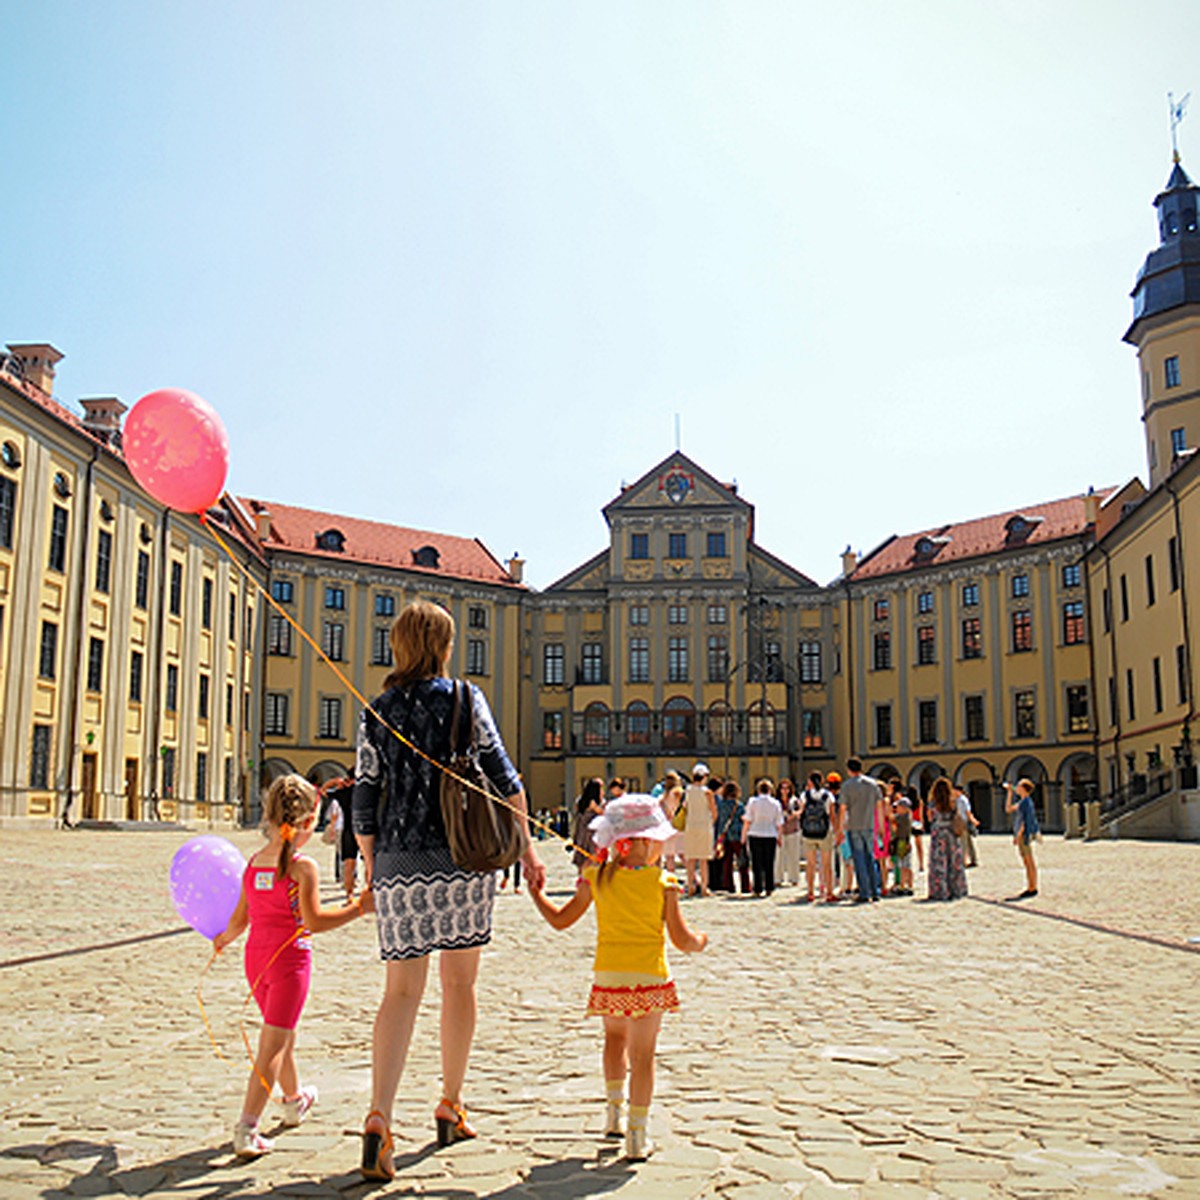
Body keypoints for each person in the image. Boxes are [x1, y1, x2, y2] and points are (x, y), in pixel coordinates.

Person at [352, 601, 545, 1181]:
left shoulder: (376, 709)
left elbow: (364, 799)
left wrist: (373, 868)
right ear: (442, 644)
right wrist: (529, 850)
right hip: (463, 860)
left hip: (398, 863)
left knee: (400, 994)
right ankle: (450, 1104)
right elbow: (505, 777)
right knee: (459, 985)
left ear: (399, 644)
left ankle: (379, 1118)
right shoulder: (466, 698)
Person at [528, 795, 707, 1161]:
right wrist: (701, 942)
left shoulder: (597, 876)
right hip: (649, 976)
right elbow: (681, 938)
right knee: (643, 1056)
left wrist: (537, 894)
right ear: (643, 841)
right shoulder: (664, 881)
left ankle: (614, 1113)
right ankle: (638, 1135)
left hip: (609, 975)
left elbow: (561, 920)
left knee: (613, 1039)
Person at [213, 773, 373, 1157]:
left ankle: (293, 1099)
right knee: (272, 1045)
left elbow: (239, 919)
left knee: (280, 1035)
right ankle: (247, 1126)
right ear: (304, 823)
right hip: (289, 962)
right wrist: (358, 908)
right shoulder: (302, 868)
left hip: (256, 959)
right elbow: (315, 922)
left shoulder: (254, 864)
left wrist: (221, 940)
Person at [839, 759, 881, 902]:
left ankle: (864, 891)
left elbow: (843, 809)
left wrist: (840, 829)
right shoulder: (873, 784)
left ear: (849, 770)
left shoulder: (847, 786)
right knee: (871, 857)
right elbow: (879, 806)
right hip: (869, 825)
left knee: (859, 859)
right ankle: (875, 890)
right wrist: (880, 825)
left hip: (854, 826)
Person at [925, 776, 967, 901]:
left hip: (938, 835)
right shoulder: (953, 802)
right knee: (953, 863)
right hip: (951, 834)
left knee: (939, 863)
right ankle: (956, 889)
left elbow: (930, 818)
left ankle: (940, 890)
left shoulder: (933, 803)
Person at [742, 779, 783, 896]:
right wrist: (779, 837)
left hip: (755, 833)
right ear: (770, 790)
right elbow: (779, 822)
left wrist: (743, 836)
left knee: (756, 862)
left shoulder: (752, 802)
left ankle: (758, 887)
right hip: (770, 834)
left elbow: (748, 819)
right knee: (769, 862)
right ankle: (769, 886)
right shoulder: (775, 803)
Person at [681, 764, 718, 898]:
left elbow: (685, 807)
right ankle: (704, 887)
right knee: (703, 859)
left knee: (691, 859)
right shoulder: (707, 792)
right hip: (704, 826)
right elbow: (714, 811)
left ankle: (690, 885)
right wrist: (711, 822)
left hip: (690, 825)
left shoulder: (688, 790)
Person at [799, 771, 835, 902]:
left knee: (811, 864)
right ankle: (829, 892)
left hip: (808, 832)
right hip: (824, 832)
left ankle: (810, 892)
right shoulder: (828, 795)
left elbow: (801, 812)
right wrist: (837, 830)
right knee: (826, 864)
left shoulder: (805, 795)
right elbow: (832, 815)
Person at [1004, 778, 1040, 899]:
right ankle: (1031, 885)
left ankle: (1032, 887)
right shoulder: (1023, 801)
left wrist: (1018, 836)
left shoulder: (1026, 802)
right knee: (1027, 861)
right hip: (1022, 834)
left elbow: (1025, 821)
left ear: (1024, 788)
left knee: (1029, 861)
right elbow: (1008, 809)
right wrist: (1009, 793)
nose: (1017, 788)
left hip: (1024, 835)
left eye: (1019, 786)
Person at [713, 780, 749, 893]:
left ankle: (729, 885)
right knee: (742, 862)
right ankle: (745, 886)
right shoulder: (739, 805)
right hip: (737, 835)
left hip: (725, 836)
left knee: (727, 863)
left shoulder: (721, 805)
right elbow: (744, 819)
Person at [573, 777, 606, 871]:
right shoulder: (594, 804)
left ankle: (582, 879)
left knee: (582, 858)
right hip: (591, 834)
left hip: (581, 833)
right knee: (591, 859)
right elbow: (603, 813)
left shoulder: (581, 801)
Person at [888, 780, 914, 895]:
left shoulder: (902, 817)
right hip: (905, 841)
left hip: (902, 842)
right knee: (907, 865)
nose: (896, 809)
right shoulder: (907, 816)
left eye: (898, 807)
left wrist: (887, 808)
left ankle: (903, 885)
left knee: (902, 864)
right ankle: (909, 884)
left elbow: (891, 818)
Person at [776, 779, 802, 887]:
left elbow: (800, 811)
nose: (785, 791)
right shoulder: (776, 802)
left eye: (787, 788)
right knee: (778, 856)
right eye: (783, 788)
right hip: (780, 831)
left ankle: (794, 878)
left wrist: (793, 815)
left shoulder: (795, 800)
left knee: (794, 855)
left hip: (793, 830)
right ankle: (778, 878)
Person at [658, 770, 685, 871]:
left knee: (669, 856)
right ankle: (694, 879)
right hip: (679, 824)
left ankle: (671, 877)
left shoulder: (663, 797)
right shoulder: (678, 793)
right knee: (682, 854)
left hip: (667, 826)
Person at [953, 782, 980, 868]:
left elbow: (967, 811)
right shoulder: (958, 799)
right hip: (961, 821)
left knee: (963, 842)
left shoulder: (962, 800)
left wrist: (973, 820)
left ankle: (964, 861)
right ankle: (973, 859)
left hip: (963, 822)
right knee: (968, 842)